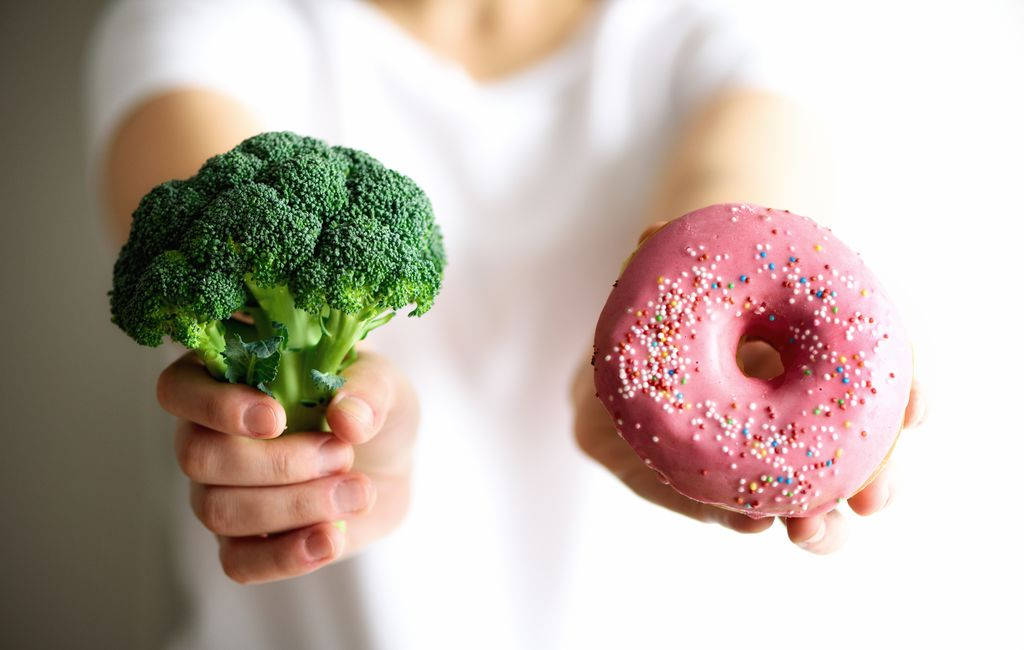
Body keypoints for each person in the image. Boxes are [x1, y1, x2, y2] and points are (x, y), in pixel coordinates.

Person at [88, 0, 924, 647]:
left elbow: (742, 218)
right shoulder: (205, 22)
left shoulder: (729, 24)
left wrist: (632, 389)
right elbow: (211, 221)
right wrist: (341, 427)